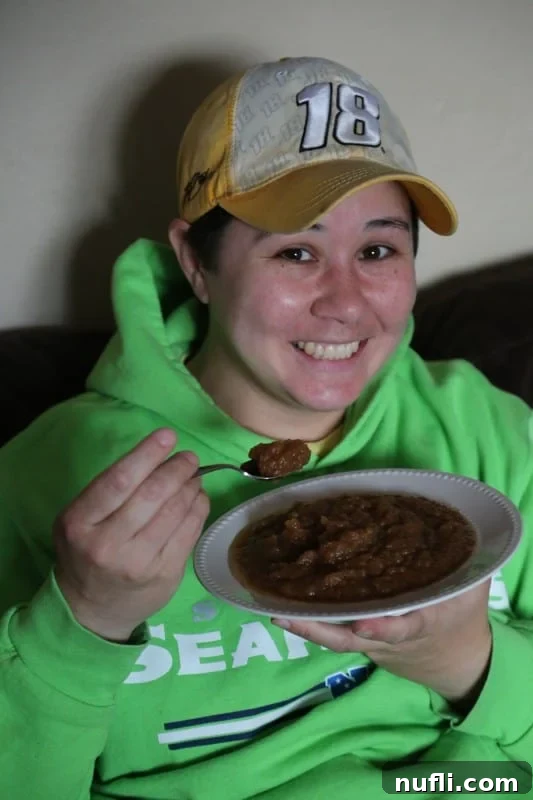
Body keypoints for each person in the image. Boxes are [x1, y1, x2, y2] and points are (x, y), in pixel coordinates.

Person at [0, 55, 532, 800]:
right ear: (196, 262)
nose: (345, 303)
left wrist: (465, 661)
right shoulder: (51, 472)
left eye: (376, 249)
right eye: (296, 252)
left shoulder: (490, 429)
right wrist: (82, 623)